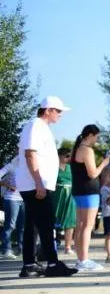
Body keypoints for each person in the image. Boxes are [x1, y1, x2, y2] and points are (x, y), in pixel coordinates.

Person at [15, 97, 76, 278]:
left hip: (36, 184)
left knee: (33, 225)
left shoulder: (41, 127)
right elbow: (30, 154)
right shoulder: (35, 125)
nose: (61, 114)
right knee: (46, 224)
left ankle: (30, 264)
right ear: (48, 110)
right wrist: (39, 182)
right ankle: (52, 263)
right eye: (58, 111)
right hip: (35, 184)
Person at [70, 124, 110, 271]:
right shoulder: (87, 150)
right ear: (90, 135)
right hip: (89, 191)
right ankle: (84, 260)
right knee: (87, 226)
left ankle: (80, 259)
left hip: (79, 190)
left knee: (80, 226)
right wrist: (104, 163)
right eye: (96, 136)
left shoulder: (75, 149)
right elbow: (93, 173)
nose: (97, 140)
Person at [1, 157, 25, 260]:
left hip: (24, 199)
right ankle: (6, 249)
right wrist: (7, 184)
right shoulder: (11, 166)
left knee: (23, 226)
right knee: (10, 225)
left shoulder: (27, 166)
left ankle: (21, 249)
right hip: (12, 199)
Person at [53, 148, 75, 250]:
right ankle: (53, 243)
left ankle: (68, 246)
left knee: (70, 220)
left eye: (69, 156)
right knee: (54, 218)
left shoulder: (71, 168)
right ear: (59, 156)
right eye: (66, 156)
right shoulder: (52, 167)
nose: (68, 158)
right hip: (57, 195)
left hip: (70, 196)